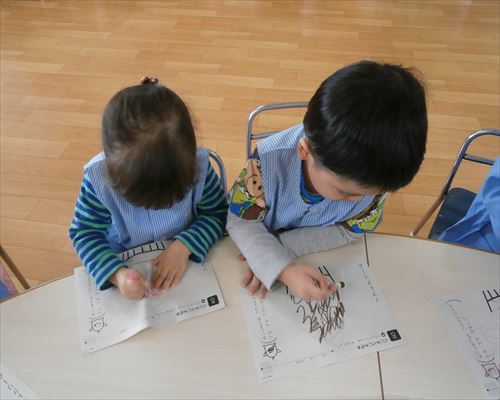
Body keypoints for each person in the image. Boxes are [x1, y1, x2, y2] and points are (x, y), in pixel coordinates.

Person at [227, 60, 428, 301]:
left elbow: (349, 231)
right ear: (304, 151)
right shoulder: (267, 162)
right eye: (344, 192)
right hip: (253, 239)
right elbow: (240, 220)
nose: (359, 200)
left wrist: (276, 252)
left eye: (374, 193)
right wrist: (280, 267)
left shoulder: (374, 178)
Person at [69, 77, 227, 300]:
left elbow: (216, 213)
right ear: (113, 171)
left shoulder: (199, 166)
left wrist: (183, 247)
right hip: (124, 259)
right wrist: (117, 275)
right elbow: (84, 233)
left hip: (186, 258)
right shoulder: (97, 180)